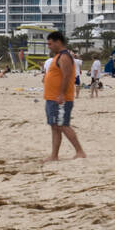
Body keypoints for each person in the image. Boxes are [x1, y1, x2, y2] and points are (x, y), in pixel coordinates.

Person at [43, 31, 86, 161]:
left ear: (58, 42)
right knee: (55, 126)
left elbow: (67, 77)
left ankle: (80, 151)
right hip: (52, 97)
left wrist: (61, 94)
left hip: (60, 98)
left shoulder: (64, 57)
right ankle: (54, 155)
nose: (49, 46)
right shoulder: (58, 56)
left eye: (50, 44)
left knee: (63, 125)